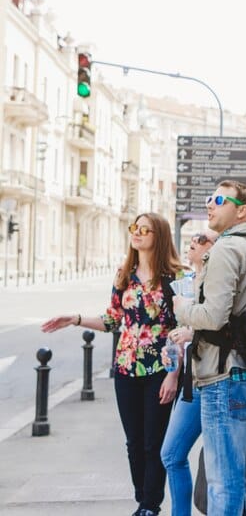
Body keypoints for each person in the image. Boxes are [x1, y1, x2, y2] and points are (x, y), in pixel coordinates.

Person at [42, 213, 186, 516]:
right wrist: (75, 319)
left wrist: (173, 375)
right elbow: (111, 320)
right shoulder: (124, 275)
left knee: (153, 442)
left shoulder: (176, 277)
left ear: (158, 236)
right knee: (134, 441)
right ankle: (142, 498)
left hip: (159, 370)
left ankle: (150, 505)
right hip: (125, 368)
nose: (137, 233)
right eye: (134, 228)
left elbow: (181, 331)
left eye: (144, 229)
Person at [172, 180, 246, 515]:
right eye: (209, 199)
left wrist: (179, 307)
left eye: (219, 199)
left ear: (241, 209)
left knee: (224, 482)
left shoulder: (227, 249)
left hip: (224, 376)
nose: (210, 204)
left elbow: (213, 317)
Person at [160, 229, 219, 516]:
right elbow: (178, 331)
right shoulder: (182, 285)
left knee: (220, 465)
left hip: (214, 379)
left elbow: (220, 323)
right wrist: (172, 360)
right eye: (193, 238)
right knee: (171, 454)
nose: (193, 242)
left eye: (202, 238)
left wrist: (191, 333)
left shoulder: (216, 281)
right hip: (191, 380)